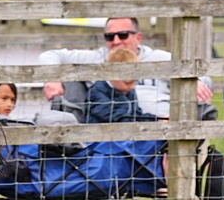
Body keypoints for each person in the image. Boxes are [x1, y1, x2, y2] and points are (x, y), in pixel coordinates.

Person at [40, 17, 214, 120]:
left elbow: (205, 78)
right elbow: (51, 55)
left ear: (137, 37)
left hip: (164, 131)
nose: (116, 41)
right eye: (109, 36)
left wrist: (193, 81)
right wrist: (52, 77)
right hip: (112, 129)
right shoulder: (97, 58)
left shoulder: (159, 58)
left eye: (123, 35)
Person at [85, 49, 161, 124]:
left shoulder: (129, 92)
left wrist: (157, 120)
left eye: (135, 82)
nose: (132, 87)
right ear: (112, 75)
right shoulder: (97, 91)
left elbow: (137, 115)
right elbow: (115, 117)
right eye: (127, 83)